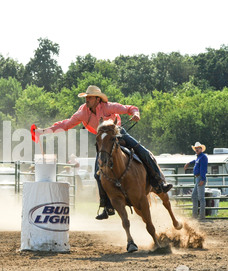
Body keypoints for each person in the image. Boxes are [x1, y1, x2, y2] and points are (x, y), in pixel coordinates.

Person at [34, 85, 173, 220]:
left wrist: (135, 113)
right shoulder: (83, 112)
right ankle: (107, 205)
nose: (87, 100)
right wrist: (43, 131)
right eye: (86, 97)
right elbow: (65, 124)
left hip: (118, 133)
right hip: (104, 141)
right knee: (97, 174)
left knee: (144, 153)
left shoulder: (108, 107)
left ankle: (158, 182)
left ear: (97, 99)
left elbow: (130, 108)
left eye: (90, 97)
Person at [184, 142, 208, 220]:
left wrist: (203, 179)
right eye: (196, 148)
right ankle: (195, 215)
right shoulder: (199, 157)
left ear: (201, 149)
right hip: (198, 178)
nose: (196, 149)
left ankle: (201, 216)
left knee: (200, 198)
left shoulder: (203, 157)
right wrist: (189, 163)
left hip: (200, 178)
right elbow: (195, 161)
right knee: (195, 196)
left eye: (198, 148)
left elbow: (203, 169)